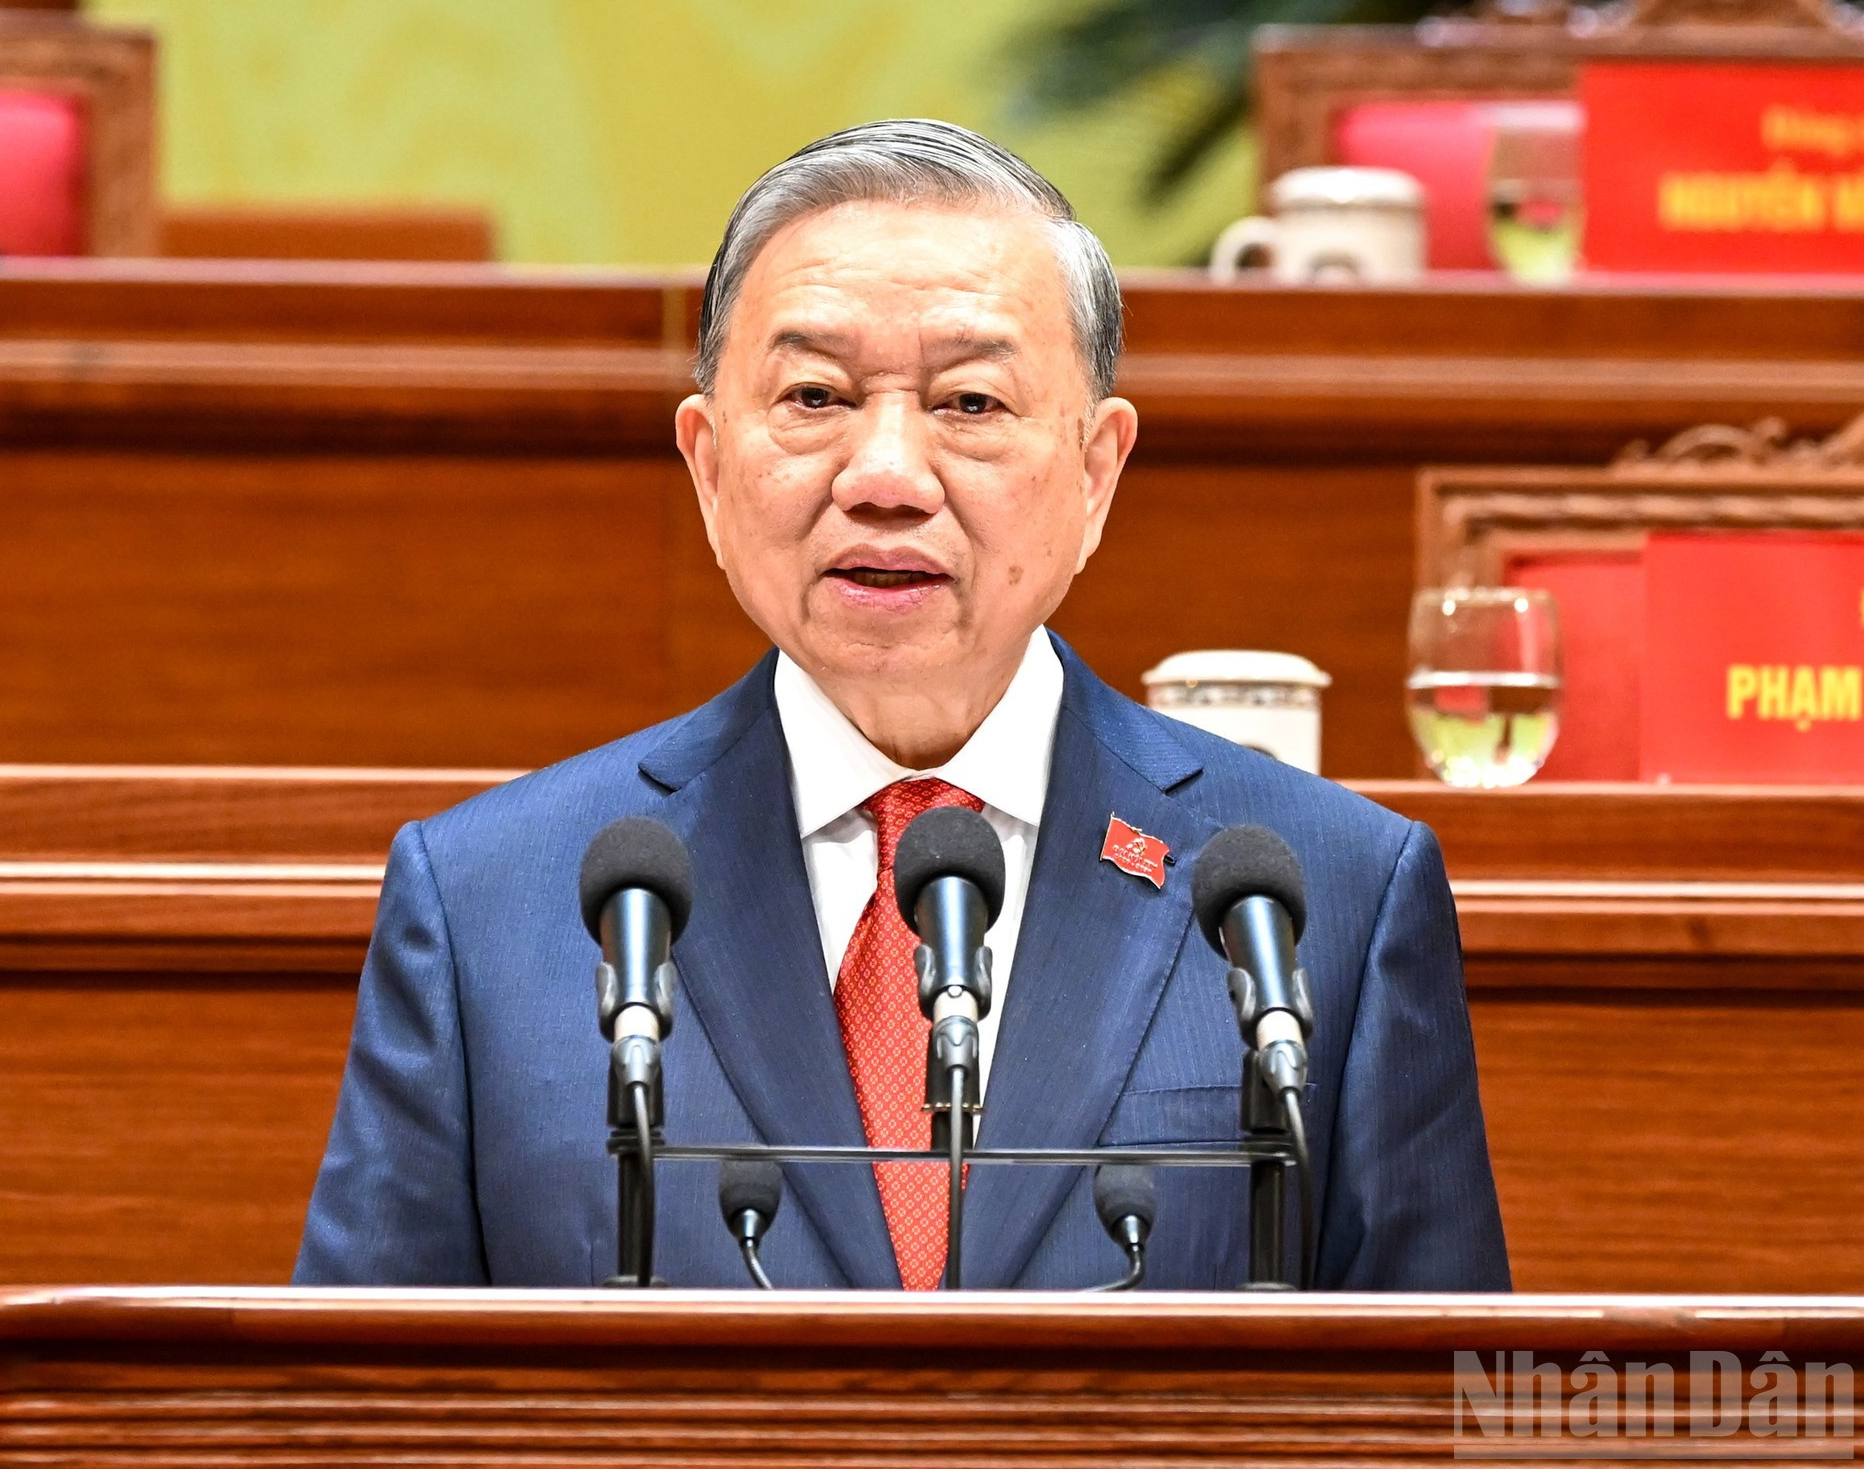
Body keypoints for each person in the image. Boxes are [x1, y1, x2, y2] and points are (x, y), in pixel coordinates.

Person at [294, 119, 1509, 1291]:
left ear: (1096, 472)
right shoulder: (484, 905)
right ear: (709, 466)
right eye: (814, 397)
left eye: (968, 404)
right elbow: (351, 1417)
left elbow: (1435, 1415)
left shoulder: (1326, 891)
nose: (883, 477)